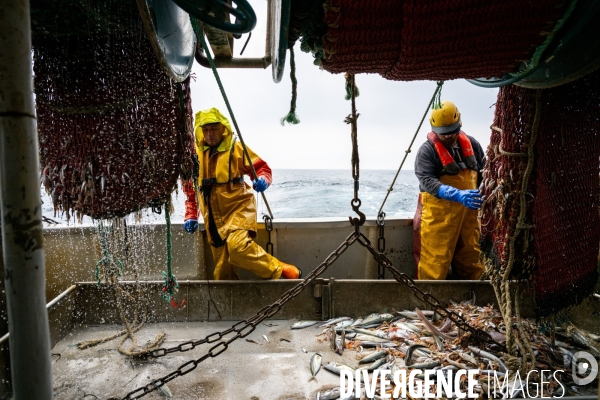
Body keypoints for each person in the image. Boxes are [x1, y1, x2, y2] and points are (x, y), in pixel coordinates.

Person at [182, 107, 302, 280]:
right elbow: (190, 190)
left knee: (238, 248)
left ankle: (281, 270)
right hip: (213, 222)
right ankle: (234, 306)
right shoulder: (194, 156)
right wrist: (191, 215)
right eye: (205, 130)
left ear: (223, 128)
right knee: (222, 275)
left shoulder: (236, 149)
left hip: (238, 211)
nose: (209, 134)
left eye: (213, 129)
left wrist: (263, 180)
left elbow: (262, 168)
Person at [412, 100, 485, 280]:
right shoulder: (427, 151)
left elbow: (484, 172)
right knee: (434, 263)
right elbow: (427, 180)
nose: (447, 136)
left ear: (459, 124)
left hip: (469, 215)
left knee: (472, 258)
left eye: (452, 131)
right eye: (443, 133)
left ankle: (473, 303)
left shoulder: (472, 144)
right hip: (438, 217)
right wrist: (456, 194)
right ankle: (429, 304)